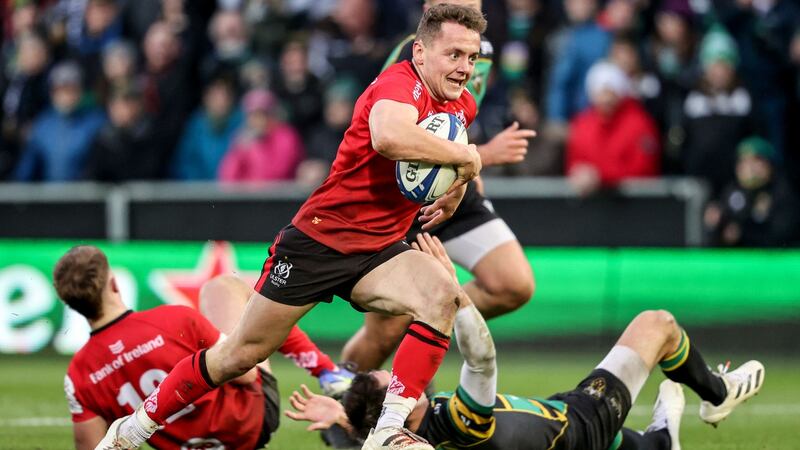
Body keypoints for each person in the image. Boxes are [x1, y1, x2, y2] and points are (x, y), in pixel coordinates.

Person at [96, 5, 485, 450]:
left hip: (379, 248)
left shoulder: (462, 104)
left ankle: (388, 432)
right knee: (237, 355)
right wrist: (466, 160)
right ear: (419, 51)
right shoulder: (399, 83)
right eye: (453, 54)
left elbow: (449, 157)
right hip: (320, 240)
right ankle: (132, 429)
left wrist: (458, 182)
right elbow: (389, 137)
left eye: (471, 58)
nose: (464, 68)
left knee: (442, 295)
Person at [288, 233, 766, 450]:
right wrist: (450, 293)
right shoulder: (455, 424)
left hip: (562, 422)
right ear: (401, 408)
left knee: (625, 438)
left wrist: (342, 426)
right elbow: (481, 362)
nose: (404, 380)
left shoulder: (395, 438)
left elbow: (360, 437)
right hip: (580, 424)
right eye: (395, 381)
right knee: (657, 324)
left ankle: (661, 442)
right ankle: (718, 395)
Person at [340, 0, 537, 377]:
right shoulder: (408, 52)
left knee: (514, 285)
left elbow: (453, 120)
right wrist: (482, 155)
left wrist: (468, 167)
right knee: (382, 331)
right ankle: (341, 403)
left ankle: (430, 315)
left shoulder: (481, 52)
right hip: (405, 198)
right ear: (430, 6)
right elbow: (387, 130)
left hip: (455, 186)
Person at [56, 245, 351, 450]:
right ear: (115, 284)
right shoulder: (171, 318)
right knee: (223, 288)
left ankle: (329, 375)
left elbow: (95, 445)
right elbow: (244, 371)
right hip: (249, 423)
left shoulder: (80, 372)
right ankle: (326, 372)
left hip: (182, 445)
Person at [566, 61, 661, 196]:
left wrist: (601, 176)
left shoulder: (640, 123)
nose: (606, 99)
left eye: (610, 92)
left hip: (632, 208)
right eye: (600, 92)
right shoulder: (582, 123)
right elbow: (575, 163)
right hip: (590, 209)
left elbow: (644, 169)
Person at [704, 136, 800, 247]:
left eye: (756, 161)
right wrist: (716, 224)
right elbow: (721, 232)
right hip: (739, 259)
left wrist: (744, 233)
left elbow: (784, 235)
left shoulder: (783, 192)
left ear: (769, 165)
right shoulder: (733, 191)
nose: (749, 168)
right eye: (744, 162)